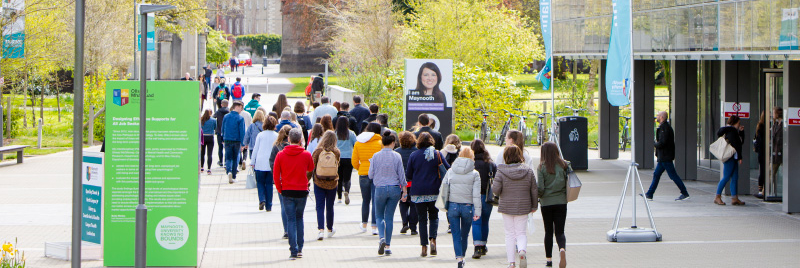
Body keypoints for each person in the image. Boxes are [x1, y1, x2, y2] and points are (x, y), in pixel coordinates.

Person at [406, 132, 450, 257]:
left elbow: (408, 175)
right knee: (434, 217)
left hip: (418, 192)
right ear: (431, 141)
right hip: (434, 191)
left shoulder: (414, 155)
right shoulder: (437, 154)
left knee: (422, 219)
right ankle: (433, 240)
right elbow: (448, 169)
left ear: (419, 141)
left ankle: (424, 246)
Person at [273, 128, 315, 260]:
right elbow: (310, 168)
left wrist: (280, 189)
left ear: (289, 139)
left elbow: (275, 174)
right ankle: (300, 248)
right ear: (301, 140)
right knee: (299, 218)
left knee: (291, 219)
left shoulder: (280, 155)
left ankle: (293, 250)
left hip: (287, 190)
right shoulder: (306, 154)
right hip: (301, 190)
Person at [493, 145, 538, 268]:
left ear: (505, 157)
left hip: (506, 207)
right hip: (523, 206)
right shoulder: (528, 171)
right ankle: (522, 250)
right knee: (521, 232)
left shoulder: (501, 171)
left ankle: (511, 262)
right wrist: (534, 206)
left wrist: (494, 184)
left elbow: (496, 190)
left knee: (509, 234)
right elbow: (534, 189)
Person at [439, 148, 481, 268]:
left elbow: (443, 188)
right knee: (465, 234)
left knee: (455, 234)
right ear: (472, 158)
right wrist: (477, 211)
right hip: (468, 206)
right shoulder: (475, 174)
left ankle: (459, 258)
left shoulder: (451, 171)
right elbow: (476, 195)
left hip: (453, 206)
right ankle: (462, 255)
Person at [369, 131, 408, 256]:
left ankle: (381, 238)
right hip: (394, 188)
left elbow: (370, 174)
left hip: (380, 188)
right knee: (389, 217)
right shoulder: (397, 156)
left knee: (379, 216)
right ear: (392, 143)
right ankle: (388, 246)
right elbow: (402, 176)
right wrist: (405, 192)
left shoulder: (375, 156)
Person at [645, 111, 690, 201]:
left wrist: (654, 144)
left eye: (658, 115)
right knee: (656, 174)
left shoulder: (664, 128)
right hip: (663, 157)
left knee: (673, 175)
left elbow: (663, 142)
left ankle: (684, 193)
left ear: (662, 117)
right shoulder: (664, 127)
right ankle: (649, 194)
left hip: (665, 157)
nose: (656, 117)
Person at [537, 142, 568, 268]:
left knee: (548, 231)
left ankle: (549, 260)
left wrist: (537, 196)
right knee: (560, 231)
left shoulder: (541, 167)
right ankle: (562, 249)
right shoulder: (564, 165)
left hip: (546, 203)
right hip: (561, 202)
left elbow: (541, 188)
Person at [352, 123, 384, 235]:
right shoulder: (380, 143)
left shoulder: (358, 143)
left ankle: (364, 224)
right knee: (376, 201)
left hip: (363, 174)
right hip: (377, 175)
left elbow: (354, 161)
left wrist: (361, 168)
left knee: (365, 200)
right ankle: (374, 227)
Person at [311, 131, 341, 241]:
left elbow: (311, 166)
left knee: (319, 206)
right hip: (332, 183)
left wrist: (308, 179)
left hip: (319, 182)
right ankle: (329, 228)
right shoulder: (336, 151)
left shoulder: (318, 151)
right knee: (330, 206)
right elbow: (338, 165)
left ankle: (320, 230)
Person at [470, 139, 496, 259]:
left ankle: (477, 247)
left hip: (474, 196)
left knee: (476, 222)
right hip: (487, 197)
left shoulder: (470, 163)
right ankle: (483, 246)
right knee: (485, 222)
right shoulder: (490, 163)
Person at [715, 115, 746, 206]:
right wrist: (740, 157)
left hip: (732, 157)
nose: (739, 125)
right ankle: (717, 196)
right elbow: (738, 144)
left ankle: (734, 198)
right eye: (738, 123)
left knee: (735, 177)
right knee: (727, 177)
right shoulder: (732, 131)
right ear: (734, 123)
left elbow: (738, 142)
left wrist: (740, 132)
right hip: (731, 158)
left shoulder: (729, 130)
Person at [251, 117, 279, 211]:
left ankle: (262, 199)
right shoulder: (276, 135)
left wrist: (252, 161)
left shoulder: (260, 135)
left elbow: (255, 149)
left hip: (260, 162)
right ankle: (269, 205)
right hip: (271, 163)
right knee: (269, 184)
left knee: (260, 183)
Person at [270, 125, 293, 238]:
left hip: (281, 179)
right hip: (293, 179)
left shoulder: (276, 146)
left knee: (284, 205)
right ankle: (292, 228)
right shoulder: (294, 146)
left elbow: (272, 162)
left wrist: (276, 176)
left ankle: (286, 230)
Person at [395, 131, 419, 235]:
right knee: (414, 204)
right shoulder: (417, 151)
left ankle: (405, 222)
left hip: (401, 182)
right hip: (414, 182)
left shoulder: (397, 152)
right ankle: (413, 227)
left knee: (403, 202)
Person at [222, 101, 246, 184]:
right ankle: (234, 176)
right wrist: (243, 144)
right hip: (236, 140)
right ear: (238, 107)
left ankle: (229, 171)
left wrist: (223, 138)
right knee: (235, 158)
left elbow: (223, 128)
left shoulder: (226, 116)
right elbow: (242, 132)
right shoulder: (240, 118)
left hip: (227, 139)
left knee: (228, 157)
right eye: (241, 108)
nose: (241, 110)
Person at [335, 117, 357, 204]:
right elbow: (356, 144)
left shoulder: (335, 133)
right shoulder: (351, 133)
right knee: (347, 178)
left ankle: (339, 197)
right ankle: (347, 191)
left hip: (338, 158)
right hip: (348, 157)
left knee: (338, 178)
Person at [213, 100, 230, 166]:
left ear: (221, 104)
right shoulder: (229, 112)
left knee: (220, 147)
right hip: (227, 132)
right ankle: (226, 161)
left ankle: (220, 161)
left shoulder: (218, 112)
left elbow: (213, 118)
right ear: (228, 105)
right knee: (227, 147)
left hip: (219, 131)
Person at [770, 107, 783, 195]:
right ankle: (768, 191)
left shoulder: (783, 124)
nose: (772, 115)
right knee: (771, 171)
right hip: (775, 151)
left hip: (781, 150)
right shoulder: (775, 124)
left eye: (773, 113)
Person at [200, 109, 217, 174]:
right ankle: (209, 169)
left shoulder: (201, 120)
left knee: (202, 153)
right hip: (210, 136)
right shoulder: (213, 120)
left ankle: (202, 167)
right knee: (209, 154)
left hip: (203, 137)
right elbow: (215, 128)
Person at [754, 111, 766, 199]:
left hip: (762, 152)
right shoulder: (762, 127)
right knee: (763, 171)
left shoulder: (760, 126)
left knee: (763, 170)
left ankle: (762, 190)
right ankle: (761, 190)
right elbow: (759, 140)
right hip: (763, 152)